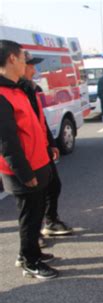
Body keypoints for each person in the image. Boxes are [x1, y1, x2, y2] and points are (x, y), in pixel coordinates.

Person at [0, 40, 58, 279]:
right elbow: (7, 142)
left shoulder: (17, 89)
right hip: (24, 171)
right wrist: (26, 174)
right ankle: (29, 261)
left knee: (35, 215)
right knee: (29, 217)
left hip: (37, 163)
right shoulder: (3, 95)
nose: (26, 61)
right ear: (12, 58)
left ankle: (32, 251)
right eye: (23, 56)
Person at [19, 51, 73, 241]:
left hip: (41, 148)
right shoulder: (14, 92)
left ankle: (50, 222)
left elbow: (39, 120)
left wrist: (50, 143)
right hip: (26, 153)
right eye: (30, 65)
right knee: (31, 200)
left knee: (52, 185)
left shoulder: (31, 88)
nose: (34, 69)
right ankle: (30, 245)